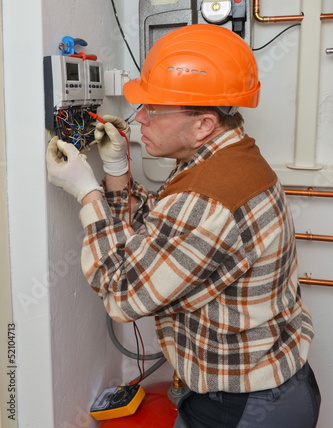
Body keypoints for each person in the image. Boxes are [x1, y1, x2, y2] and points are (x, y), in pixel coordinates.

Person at [46, 24, 321, 427]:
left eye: (153, 109)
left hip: (244, 406)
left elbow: (123, 295)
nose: (139, 117)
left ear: (204, 124)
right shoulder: (230, 159)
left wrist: (87, 193)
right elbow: (160, 232)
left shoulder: (206, 197)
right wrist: (117, 171)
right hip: (276, 385)